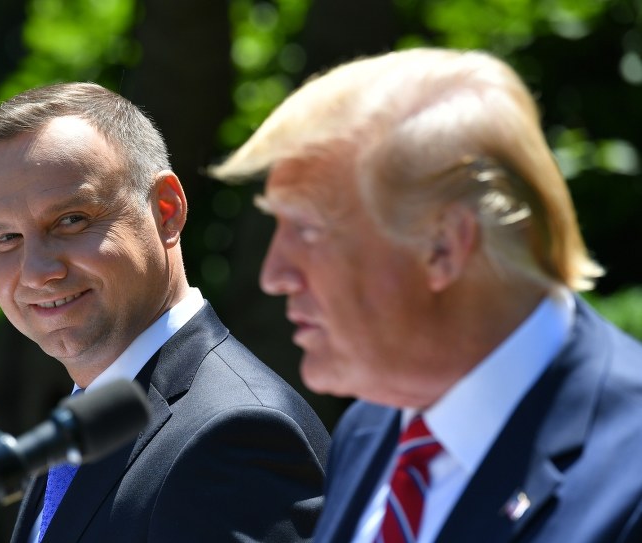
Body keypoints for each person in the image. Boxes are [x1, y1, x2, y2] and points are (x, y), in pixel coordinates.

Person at [209, 47, 642, 542]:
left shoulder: (627, 474)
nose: (275, 275)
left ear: (444, 247)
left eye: (307, 228)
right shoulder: (373, 429)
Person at [0, 82, 330, 543]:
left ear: (166, 210)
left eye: (71, 220)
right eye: (5, 239)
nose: (37, 272)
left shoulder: (234, 435)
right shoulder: (76, 431)